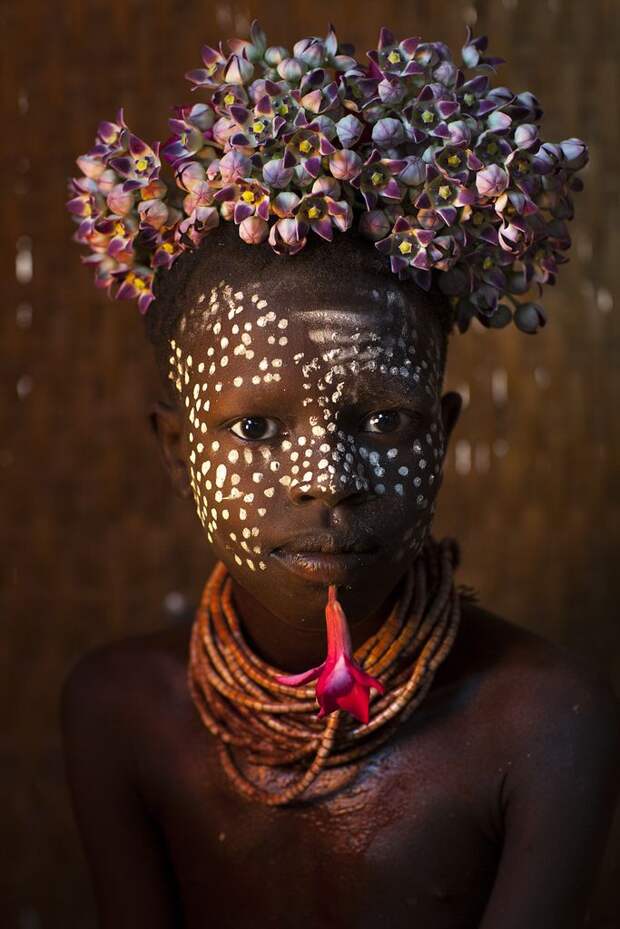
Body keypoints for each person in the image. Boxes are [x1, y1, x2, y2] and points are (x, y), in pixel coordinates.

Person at [61, 22, 620, 928]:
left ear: (442, 436)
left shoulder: (545, 725)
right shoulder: (119, 712)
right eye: (253, 427)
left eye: (385, 420)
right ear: (177, 452)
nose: (329, 475)